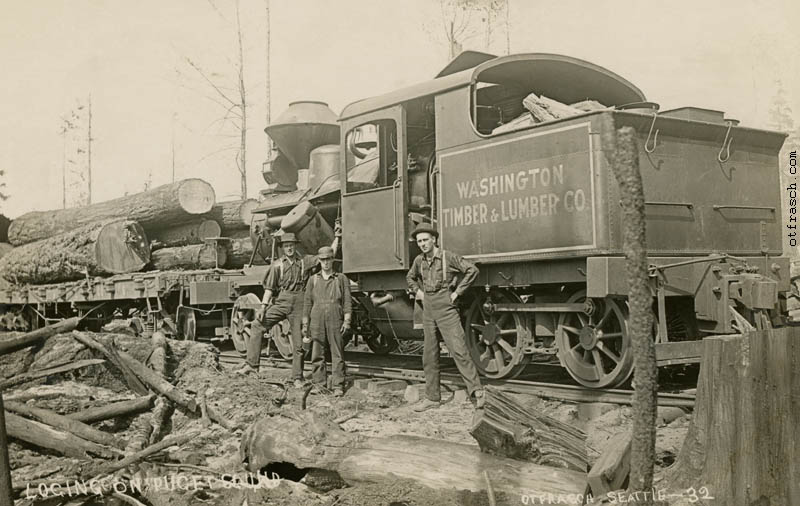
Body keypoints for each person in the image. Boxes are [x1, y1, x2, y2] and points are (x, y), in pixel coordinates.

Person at [237, 230, 339, 385]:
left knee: (298, 343)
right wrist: (263, 307)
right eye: (286, 246)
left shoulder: (305, 261)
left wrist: (337, 237)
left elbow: (327, 256)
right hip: (282, 301)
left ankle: (297, 377)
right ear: (282, 248)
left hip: (300, 302)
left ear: (295, 246)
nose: (289, 248)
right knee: (257, 325)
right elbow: (270, 289)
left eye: (291, 245)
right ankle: (252, 365)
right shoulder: (277, 266)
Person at [405, 223, 485, 411]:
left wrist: (457, 293)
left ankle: (477, 392)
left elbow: (472, 270)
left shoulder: (448, 257)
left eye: (425, 240)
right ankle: (432, 398)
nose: (423, 244)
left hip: (446, 307)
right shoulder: (419, 261)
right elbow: (410, 277)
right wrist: (419, 292)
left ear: (434, 239)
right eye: (419, 241)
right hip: (428, 308)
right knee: (429, 355)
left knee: (459, 349)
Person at [302, 246, 352, 396]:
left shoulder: (341, 279)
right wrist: (306, 324)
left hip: (335, 317)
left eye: (328, 259)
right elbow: (307, 303)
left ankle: (338, 385)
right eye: (323, 260)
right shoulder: (313, 280)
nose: (326, 263)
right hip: (316, 319)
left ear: (332, 260)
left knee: (337, 353)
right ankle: (319, 384)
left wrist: (347, 320)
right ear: (319, 261)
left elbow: (347, 301)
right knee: (317, 353)